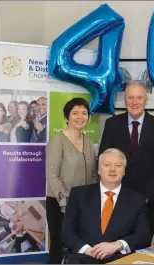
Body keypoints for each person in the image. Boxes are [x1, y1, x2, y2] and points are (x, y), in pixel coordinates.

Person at [99, 81, 154, 237]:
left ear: (145, 100)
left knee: (143, 246)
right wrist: (115, 191)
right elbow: (103, 160)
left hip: (148, 200)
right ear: (125, 101)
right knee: (116, 244)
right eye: (131, 98)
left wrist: (146, 196)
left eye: (139, 98)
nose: (135, 102)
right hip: (116, 197)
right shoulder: (112, 124)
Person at [62, 148, 151, 264]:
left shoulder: (136, 199)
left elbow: (143, 235)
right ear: (99, 170)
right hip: (83, 257)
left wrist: (117, 245)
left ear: (124, 171)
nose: (112, 169)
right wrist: (88, 250)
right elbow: (67, 232)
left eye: (118, 165)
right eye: (107, 165)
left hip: (119, 258)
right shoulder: (79, 194)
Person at [46, 98, 97, 264]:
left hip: (84, 205)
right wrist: (66, 204)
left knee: (81, 247)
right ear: (67, 117)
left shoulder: (89, 142)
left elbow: (93, 174)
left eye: (84, 113)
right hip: (59, 204)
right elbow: (53, 176)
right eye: (75, 113)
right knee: (59, 245)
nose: (80, 117)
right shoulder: (57, 140)